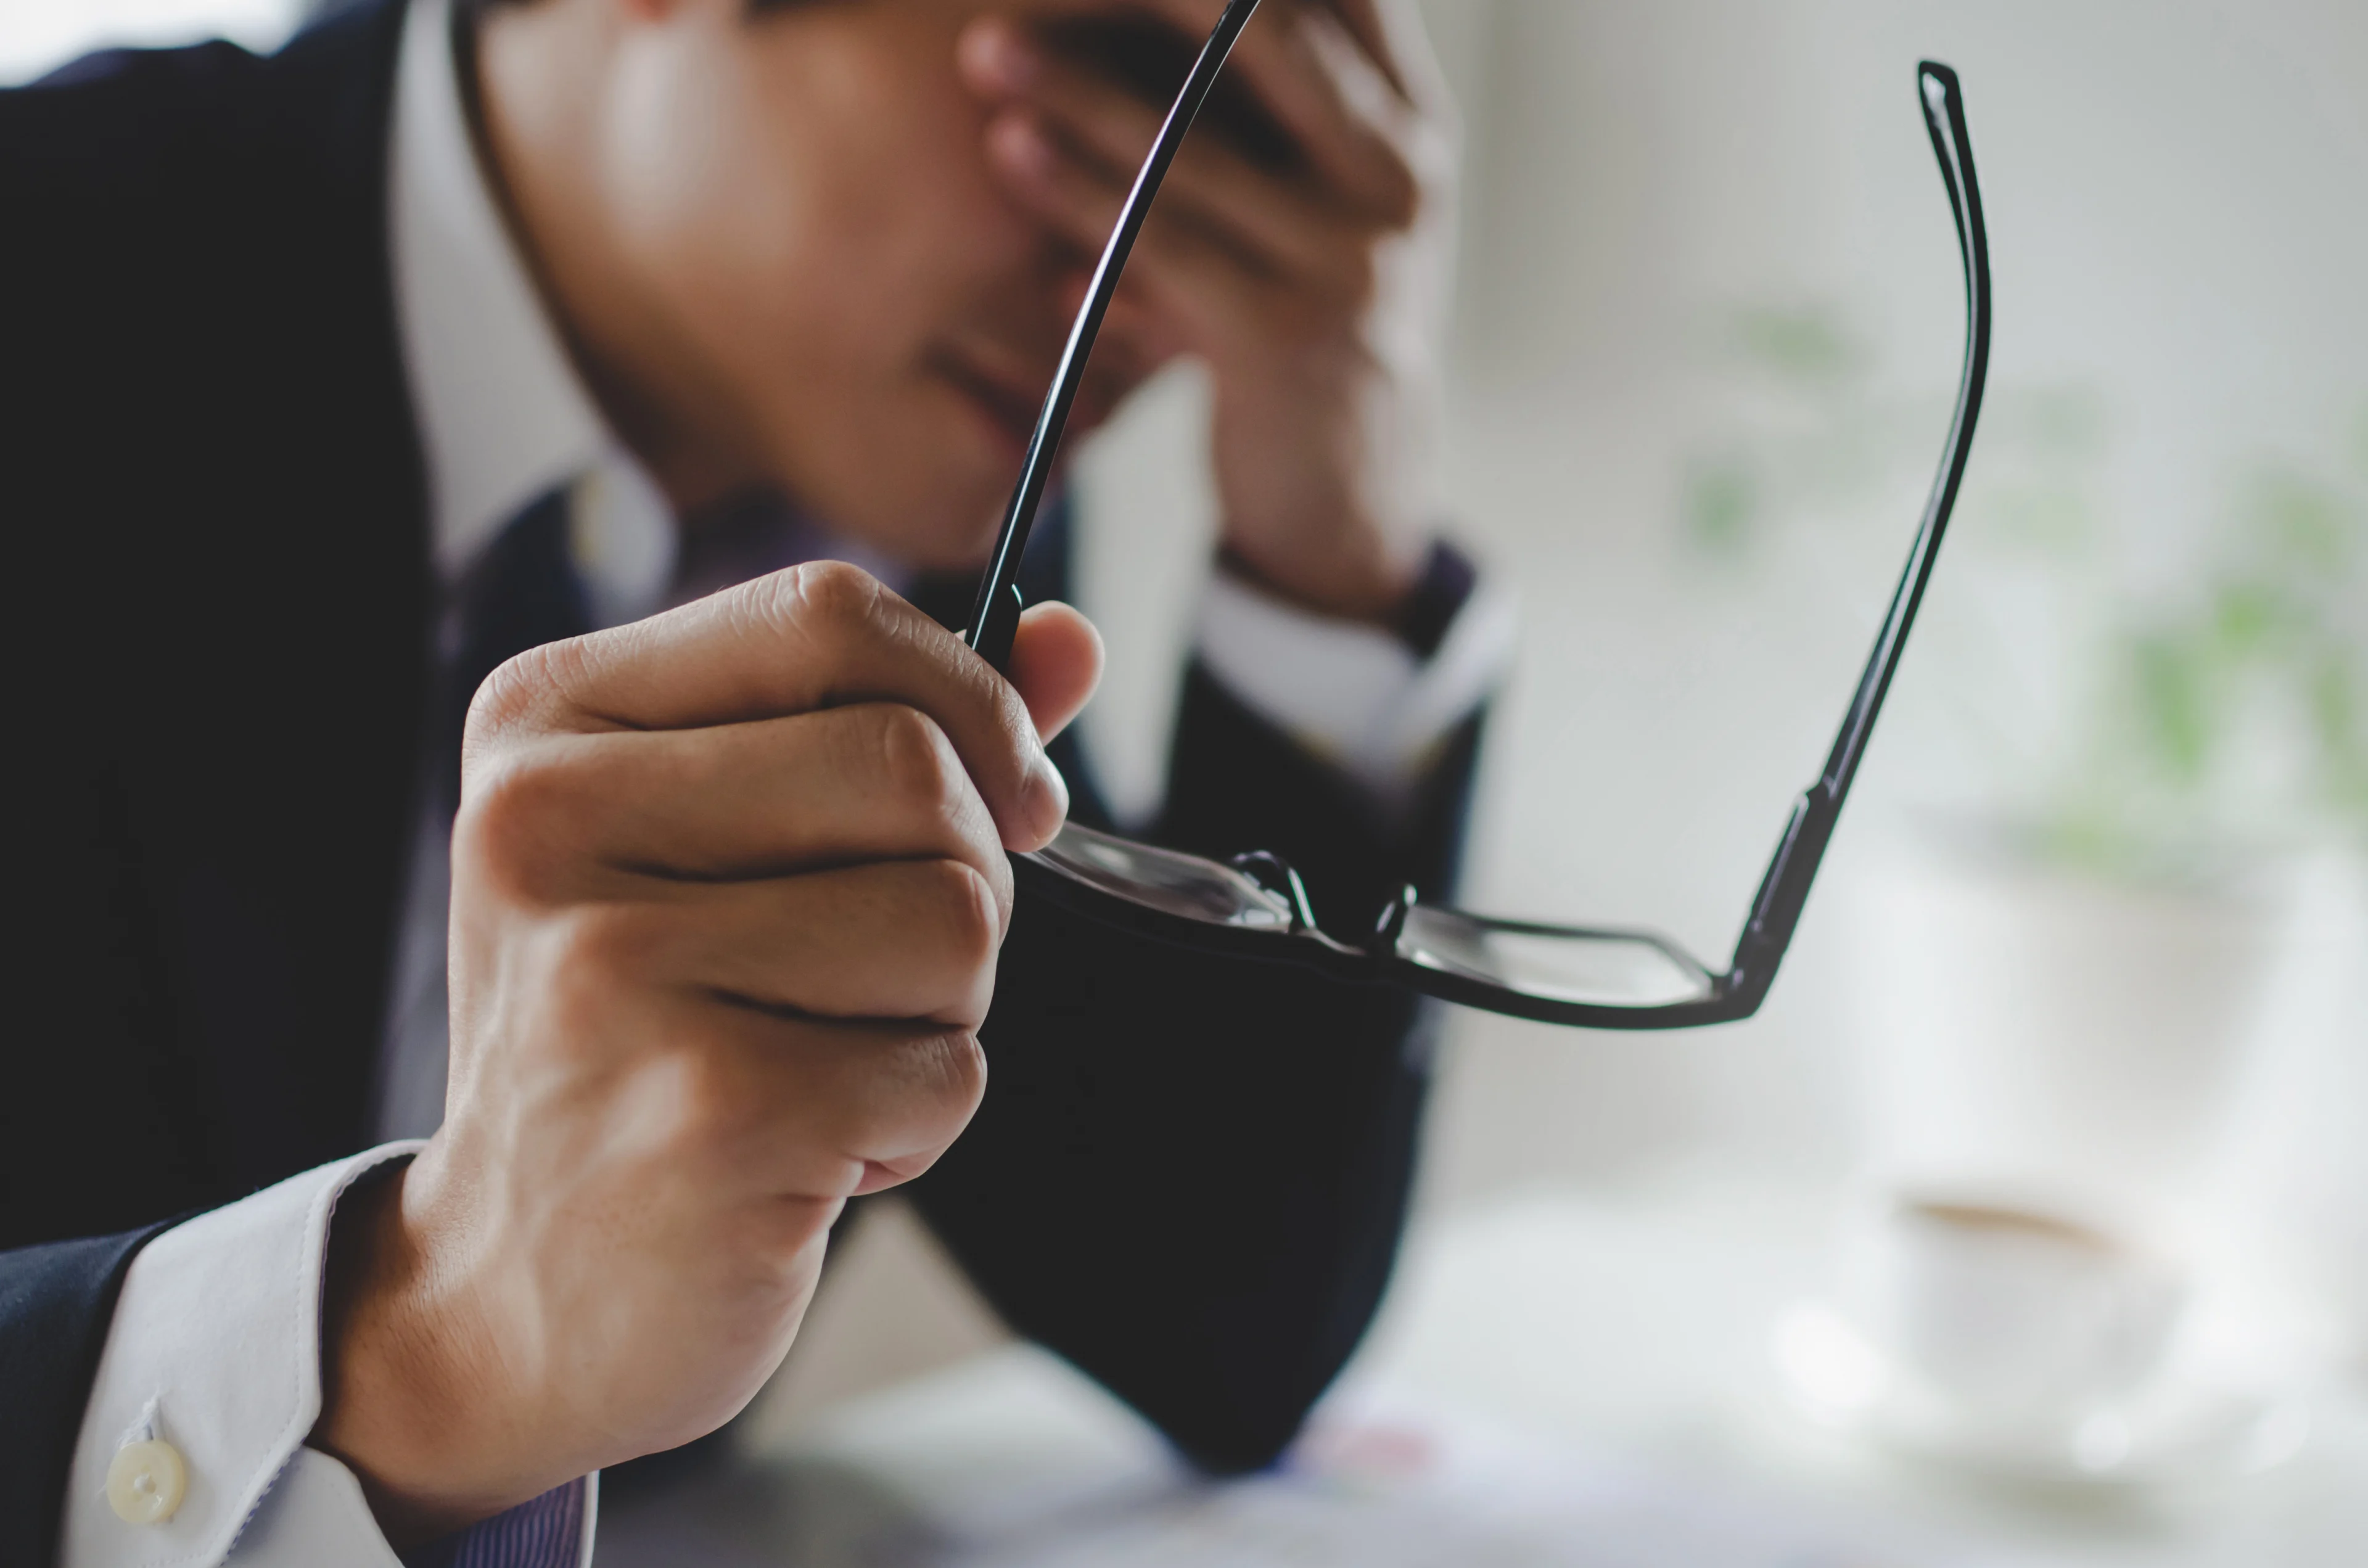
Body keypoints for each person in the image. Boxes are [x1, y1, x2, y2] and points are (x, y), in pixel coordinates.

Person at [0, 0, 1507, 1559]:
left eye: (1235, 157)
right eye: (1097, 87)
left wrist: (1333, 549)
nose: (1158, 297)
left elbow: (1216, 1321)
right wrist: (410, 1348)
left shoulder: (920, 501)